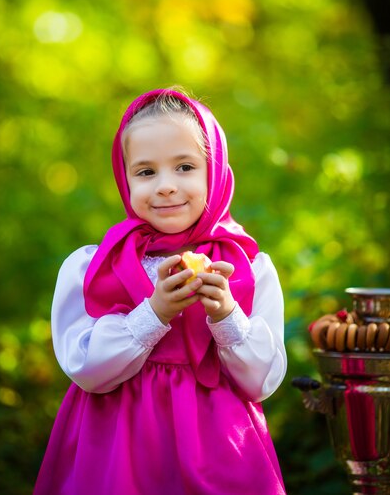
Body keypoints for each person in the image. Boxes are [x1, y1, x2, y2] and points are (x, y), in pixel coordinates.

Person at [33, 88, 287, 495]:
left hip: (220, 447)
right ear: (124, 176)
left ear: (215, 170)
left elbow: (262, 381)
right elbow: (87, 370)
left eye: (185, 167)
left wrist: (226, 313)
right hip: (117, 445)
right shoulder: (94, 268)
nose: (166, 186)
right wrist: (154, 312)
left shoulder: (247, 268)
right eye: (146, 172)